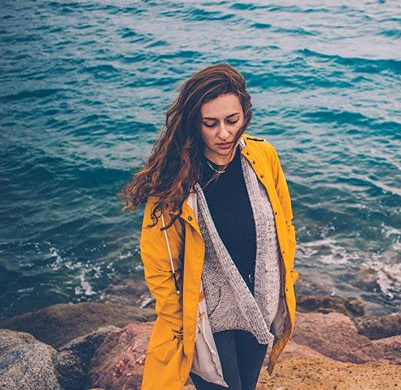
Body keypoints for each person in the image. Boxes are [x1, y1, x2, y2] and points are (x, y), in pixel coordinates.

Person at [120, 63, 298, 390]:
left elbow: (283, 223)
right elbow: (160, 267)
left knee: (247, 385)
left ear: (245, 114)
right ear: (195, 124)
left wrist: (287, 281)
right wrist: (178, 321)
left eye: (232, 120)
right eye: (210, 123)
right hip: (207, 318)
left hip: (260, 301)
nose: (224, 133)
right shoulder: (174, 183)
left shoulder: (263, 156)